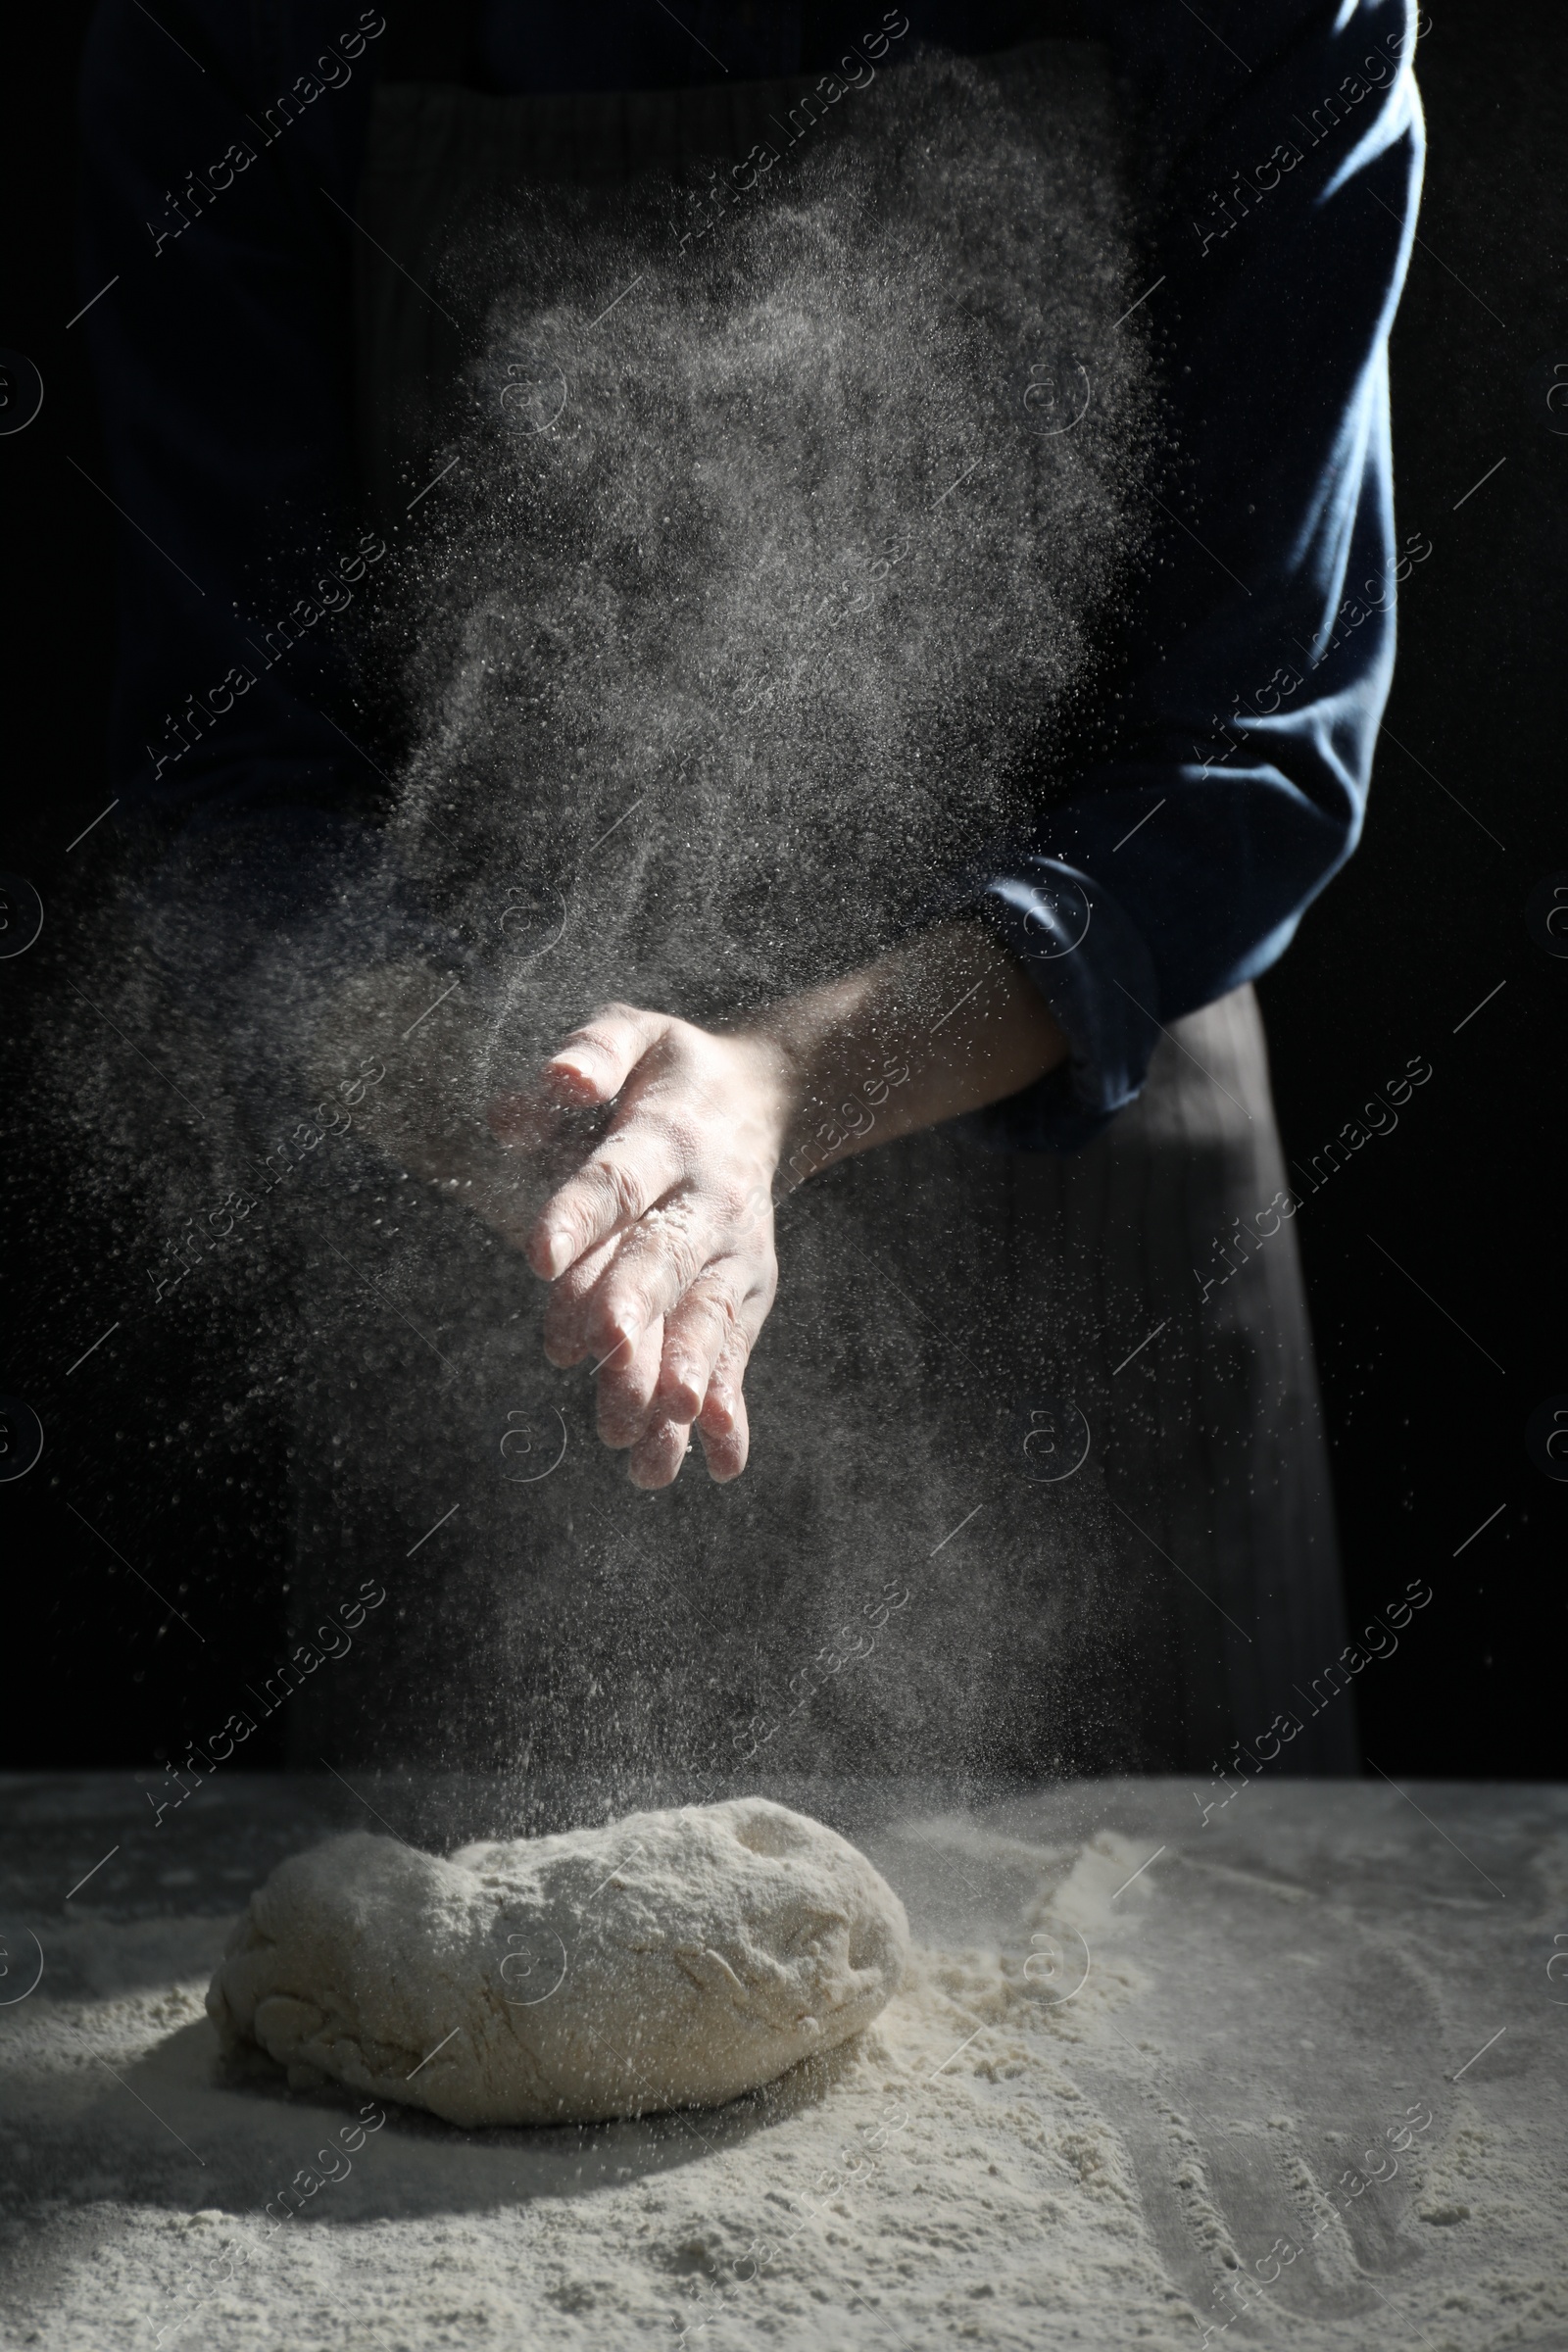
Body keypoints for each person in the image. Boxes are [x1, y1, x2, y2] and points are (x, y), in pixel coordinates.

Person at [76, 0, 1424, 1782]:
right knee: (449, 2017)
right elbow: (227, 783)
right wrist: (534, 1123)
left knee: (1199, 1997)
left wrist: (784, 1080)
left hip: (1086, 1196)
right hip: (529, 1237)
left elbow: (1252, 751)